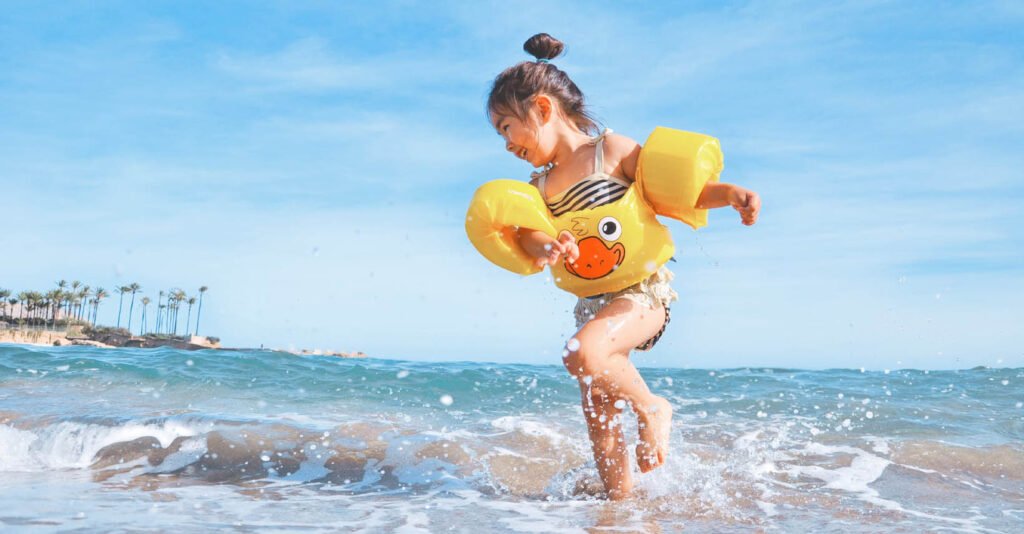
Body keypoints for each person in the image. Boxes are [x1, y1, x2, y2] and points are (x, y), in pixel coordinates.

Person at [485, 33, 761, 500]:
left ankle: (653, 409)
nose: (506, 143)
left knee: (581, 355)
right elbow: (529, 234)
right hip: (590, 305)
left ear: (543, 109)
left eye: (507, 127)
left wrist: (729, 193)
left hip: (643, 294)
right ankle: (619, 509)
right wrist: (548, 245)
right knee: (599, 414)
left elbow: (676, 192)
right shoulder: (540, 185)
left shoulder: (609, 152)